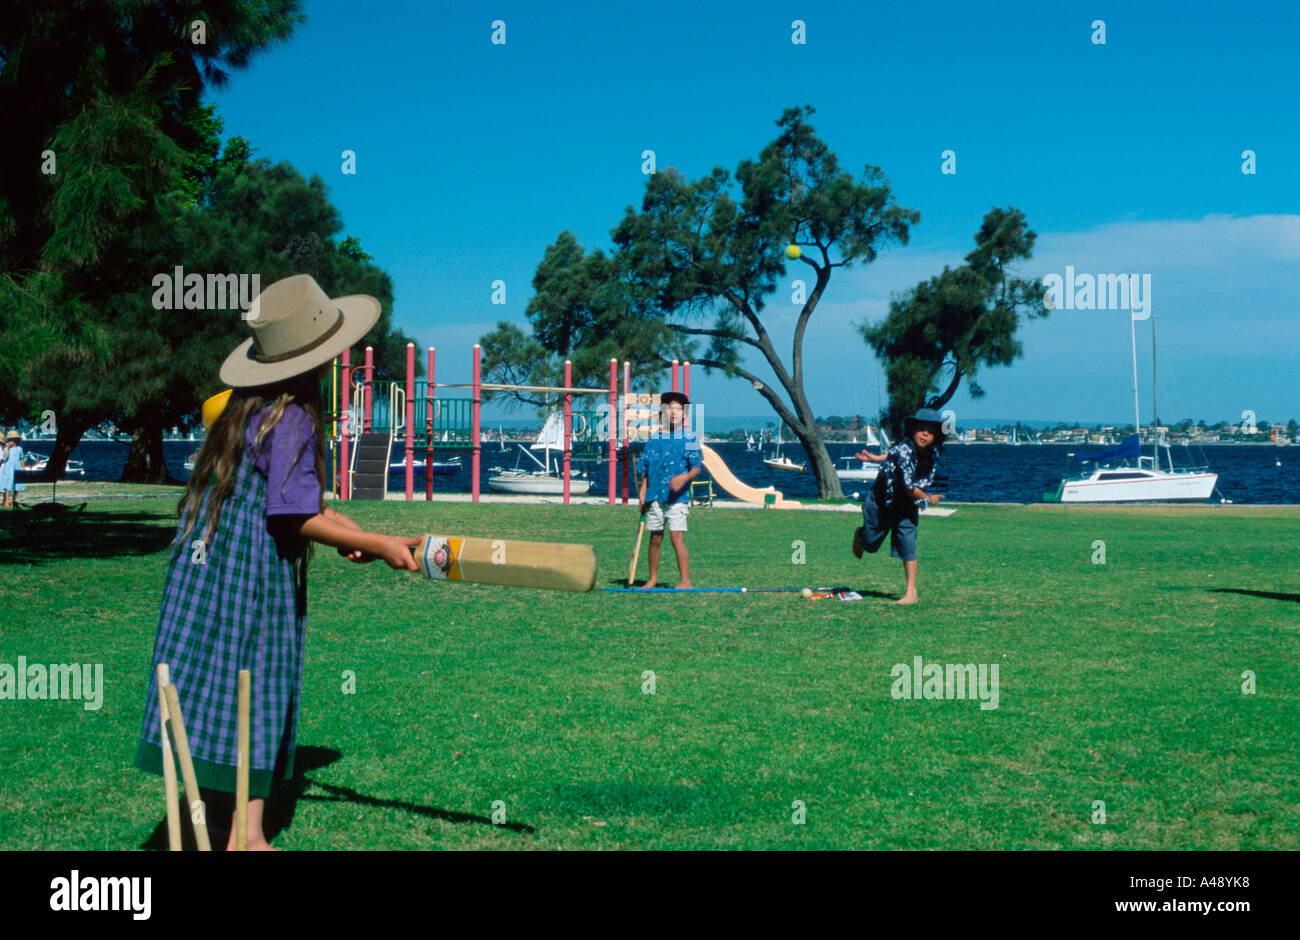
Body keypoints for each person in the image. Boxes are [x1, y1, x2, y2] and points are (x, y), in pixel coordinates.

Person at [133, 274, 422, 850]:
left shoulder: (246, 409)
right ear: (322, 361)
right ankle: (248, 835)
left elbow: (292, 501)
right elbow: (291, 517)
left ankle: (218, 820)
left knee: (213, 687)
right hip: (251, 582)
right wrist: (384, 546)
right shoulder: (293, 417)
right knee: (258, 686)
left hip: (206, 575)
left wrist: (354, 532)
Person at [851, 408, 945, 604]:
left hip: (906, 505)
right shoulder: (905, 449)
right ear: (913, 431)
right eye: (921, 429)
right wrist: (929, 499)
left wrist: (876, 458)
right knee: (870, 543)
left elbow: (891, 455)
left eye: (930, 431)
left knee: (908, 545)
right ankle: (860, 535)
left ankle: (911, 592)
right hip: (883, 500)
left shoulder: (932, 453)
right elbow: (910, 487)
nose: (925, 434)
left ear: (936, 436)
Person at [636, 391, 702, 589]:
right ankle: (652, 579)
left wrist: (684, 477)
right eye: (669, 408)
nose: (673, 412)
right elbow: (646, 470)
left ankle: (685, 581)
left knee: (676, 537)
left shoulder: (690, 438)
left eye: (678, 409)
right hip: (655, 496)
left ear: (684, 413)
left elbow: (697, 467)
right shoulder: (655, 439)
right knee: (655, 538)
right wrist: (642, 494)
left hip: (677, 498)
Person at [1, 430, 26, 508]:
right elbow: (5, 457)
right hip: (8, 468)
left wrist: (23, 467)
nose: (10, 441)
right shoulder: (6, 448)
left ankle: (14, 499)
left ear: (15, 440)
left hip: (17, 467)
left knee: (17, 484)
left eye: (12, 439)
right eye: (9, 440)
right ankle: (7, 500)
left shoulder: (19, 449)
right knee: (7, 484)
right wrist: (7, 448)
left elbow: (21, 458)